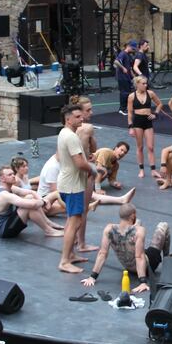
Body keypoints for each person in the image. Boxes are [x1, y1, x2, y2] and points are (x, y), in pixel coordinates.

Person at [81, 204, 171, 294]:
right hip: (148, 265)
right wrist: (143, 282)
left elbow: (102, 253)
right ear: (132, 215)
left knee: (138, 222)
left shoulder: (109, 229)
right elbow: (139, 257)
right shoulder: (139, 230)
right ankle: (168, 261)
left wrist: (92, 277)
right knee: (163, 225)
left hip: (128, 266)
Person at [35, 153, 135, 216]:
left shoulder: (62, 160)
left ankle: (121, 200)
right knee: (72, 205)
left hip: (61, 191)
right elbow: (55, 191)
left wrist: (94, 167)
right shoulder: (52, 167)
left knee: (88, 193)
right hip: (47, 199)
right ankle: (86, 207)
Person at [56, 104, 93, 273]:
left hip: (68, 183)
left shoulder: (64, 133)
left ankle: (70, 255)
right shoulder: (71, 137)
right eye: (77, 117)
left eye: (81, 116)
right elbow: (79, 163)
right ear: (68, 119)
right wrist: (92, 170)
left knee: (72, 220)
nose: (82, 118)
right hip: (72, 186)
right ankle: (64, 261)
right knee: (74, 221)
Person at [0, 166, 64, 238]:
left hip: (9, 223)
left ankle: (48, 222)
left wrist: (42, 199)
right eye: (9, 175)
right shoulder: (4, 195)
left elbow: (31, 192)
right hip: (4, 231)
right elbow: (33, 205)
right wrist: (44, 202)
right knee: (28, 207)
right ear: (2, 179)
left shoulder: (11, 188)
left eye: (13, 174)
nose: (13, 176)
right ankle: (49, 231)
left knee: (30, 197)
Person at [71, 95, 100, 254]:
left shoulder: (68, 128)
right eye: (88, 110)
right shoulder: (88, 128)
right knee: (83, 209)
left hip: (71, 171)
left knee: (74, 209)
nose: (91, 113)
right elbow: (93, 149)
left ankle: (75, 238)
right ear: (80, 112)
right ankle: (81, 243)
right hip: (84, 170)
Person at [127, 75, 163, 179]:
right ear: (137, 84)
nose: (145, 85)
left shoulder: (150, 93)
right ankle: (141, 169)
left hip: (148, 121)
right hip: (137, 122)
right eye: (143, 83)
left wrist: (155, 114)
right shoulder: (131, 96)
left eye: (146, 83)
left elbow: (159, 104)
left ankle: (153, 170)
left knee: (150, 147)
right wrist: (130, 127)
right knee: (140, 147)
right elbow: (130, 112)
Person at [115, 40, 137, 115]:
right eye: (133, 49)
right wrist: (123, 68)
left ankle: (126, 108)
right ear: (128, 46)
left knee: (128, 93)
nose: (133, 50)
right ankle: (122, 109)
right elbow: (116, 62)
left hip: (127, 77)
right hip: (122, 77)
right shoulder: (123, 54)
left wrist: (134, 78)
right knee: (124, 93)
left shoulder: (128, 56)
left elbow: (130, 68)